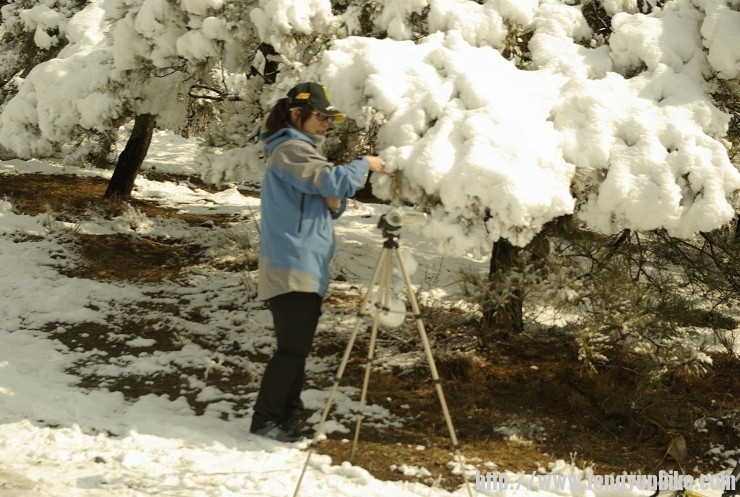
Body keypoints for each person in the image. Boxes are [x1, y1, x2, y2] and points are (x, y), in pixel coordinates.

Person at [251, 82, 387, 442]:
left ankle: (287, 415)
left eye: (330, 117)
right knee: (292, 350)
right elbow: (331, 180)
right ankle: (266, 418)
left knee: (295, 349)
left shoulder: (299, 152)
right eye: (320, 116)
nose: (327, 122)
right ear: (297, 115)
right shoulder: (291, 149)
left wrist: (334, 202)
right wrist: (365, 164)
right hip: (292, 264)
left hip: (303, 264)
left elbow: (325, 195)